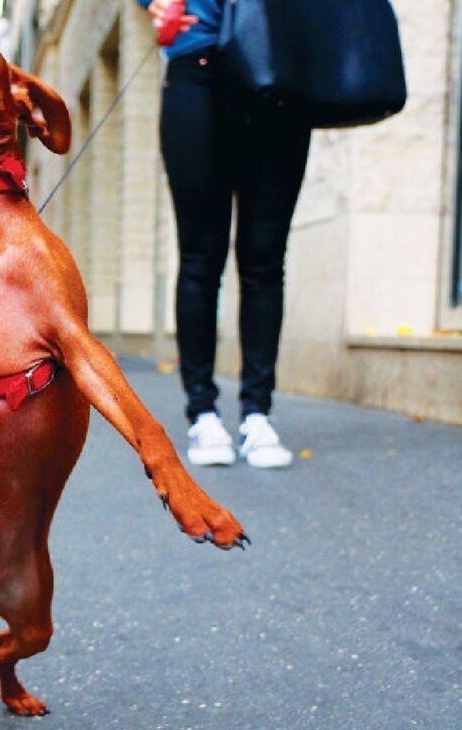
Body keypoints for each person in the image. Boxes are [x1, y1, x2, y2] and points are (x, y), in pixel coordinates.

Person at [136, 0, 311, 469]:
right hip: (198, 63)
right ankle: (204, 413)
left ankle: (257, 413)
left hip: (281, 64)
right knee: (199, 257)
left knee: (264, 256)